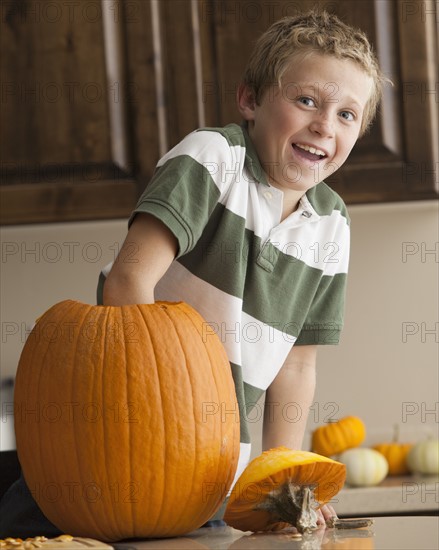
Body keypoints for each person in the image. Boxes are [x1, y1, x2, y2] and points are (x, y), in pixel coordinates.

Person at [0, 10, 386, 537]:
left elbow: (295, 368)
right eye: (307, 101)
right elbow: (128, 281)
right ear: (250, 100)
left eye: (347, 115)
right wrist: (152, 425)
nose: (324, 124)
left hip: (210, 481)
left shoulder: (332, 226)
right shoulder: (214, 159)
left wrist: (282, 486)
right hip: (108, 454)